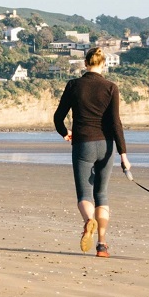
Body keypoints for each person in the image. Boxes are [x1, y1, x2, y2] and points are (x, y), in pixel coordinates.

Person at [53, 46, 130, 258]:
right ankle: (102, 245)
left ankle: (89, 221)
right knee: (102, 194)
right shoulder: (111, 87)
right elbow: (116, 122)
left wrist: (65, 133)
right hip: (106, 146)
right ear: (103, 64)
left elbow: (58, 117)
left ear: (86, 64)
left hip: (83, 145)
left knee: (84, 195)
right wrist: (123, 154)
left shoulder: (74, 85)